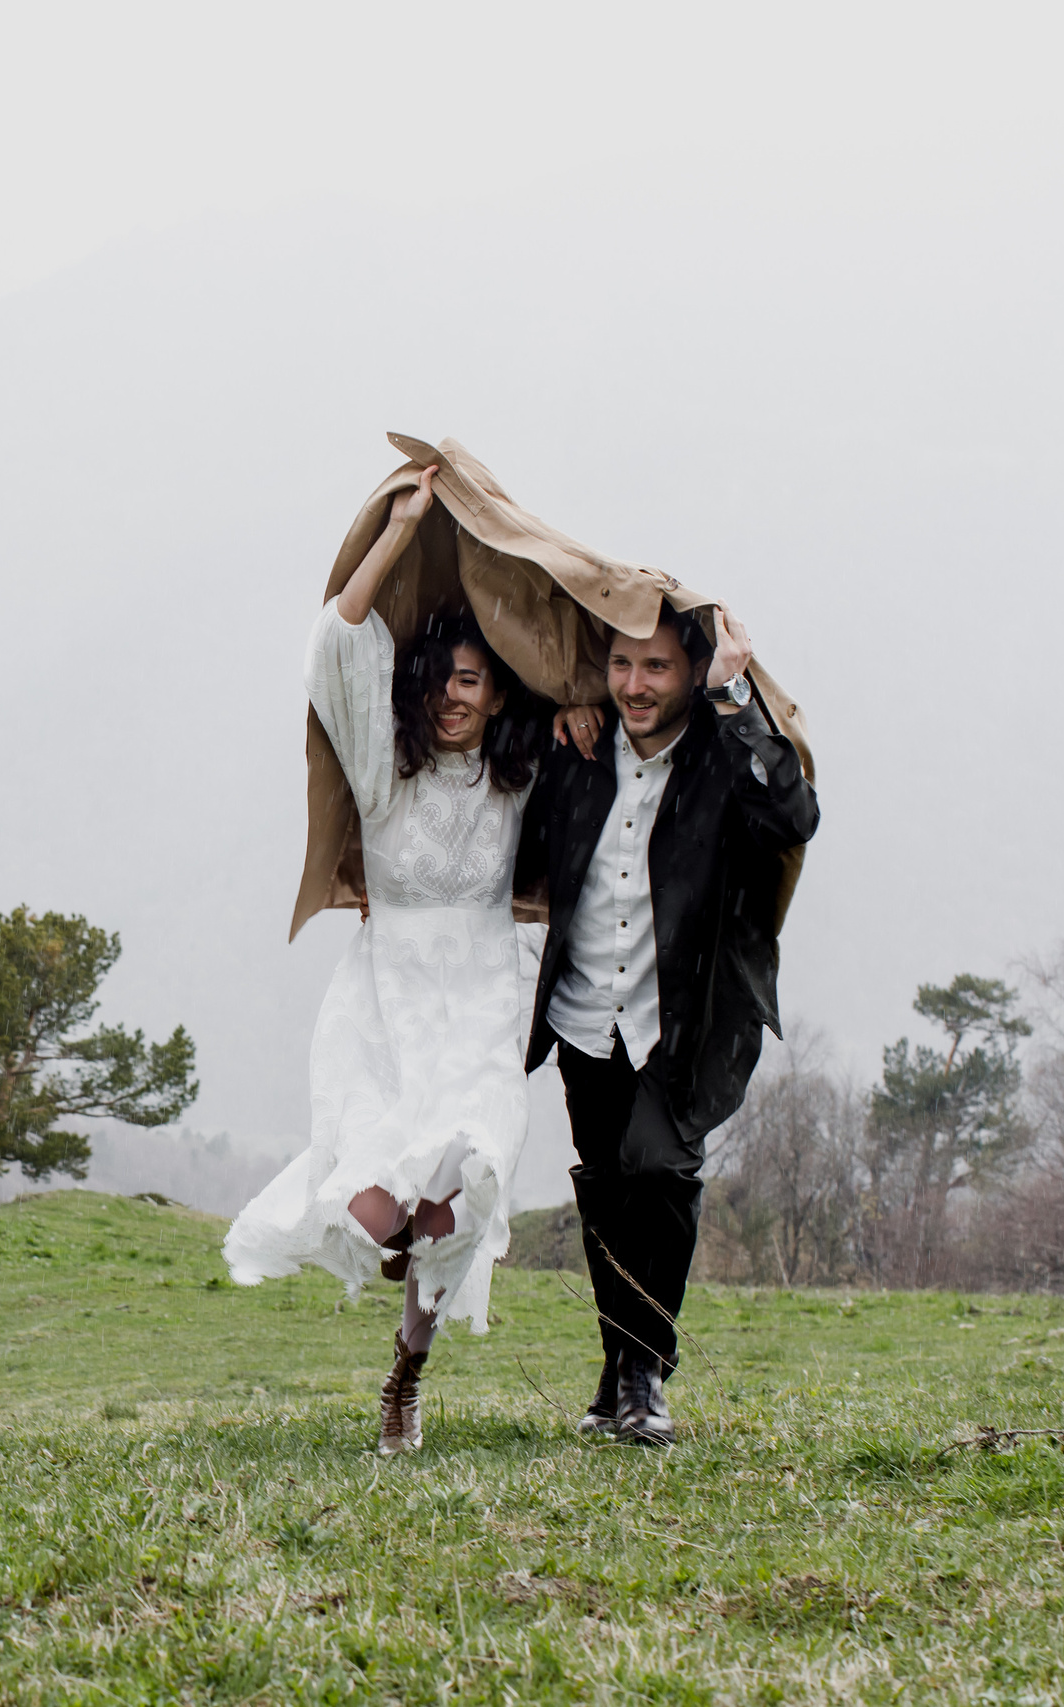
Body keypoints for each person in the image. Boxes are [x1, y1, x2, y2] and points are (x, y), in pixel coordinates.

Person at [223, 464, 561, 1455]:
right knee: (378, 1207)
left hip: (478, 1012)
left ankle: (406, 1375)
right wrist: (401, 524)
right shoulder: (387, 772)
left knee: (464, 1183)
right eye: (439, 682)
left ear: (497, 692)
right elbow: (339, 638)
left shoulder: (517, 780)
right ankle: (398, 1247)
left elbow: (580, 678)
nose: (451, 698)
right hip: (383, 1008)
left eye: (469, 681)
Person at [519, 600, 819, 1445]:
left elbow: (794, 816)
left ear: (691, 671)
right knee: (607, 1187)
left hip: (682, 1022)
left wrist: (732, 698)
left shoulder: (720, 758)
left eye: (657, 667)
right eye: (621, 665)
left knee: (659, 1170)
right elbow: (528, 847)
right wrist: (557, 717)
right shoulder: (578, 754)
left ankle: (646, 1368)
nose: (636, 685)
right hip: (584, 1015)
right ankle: (618, 1367)